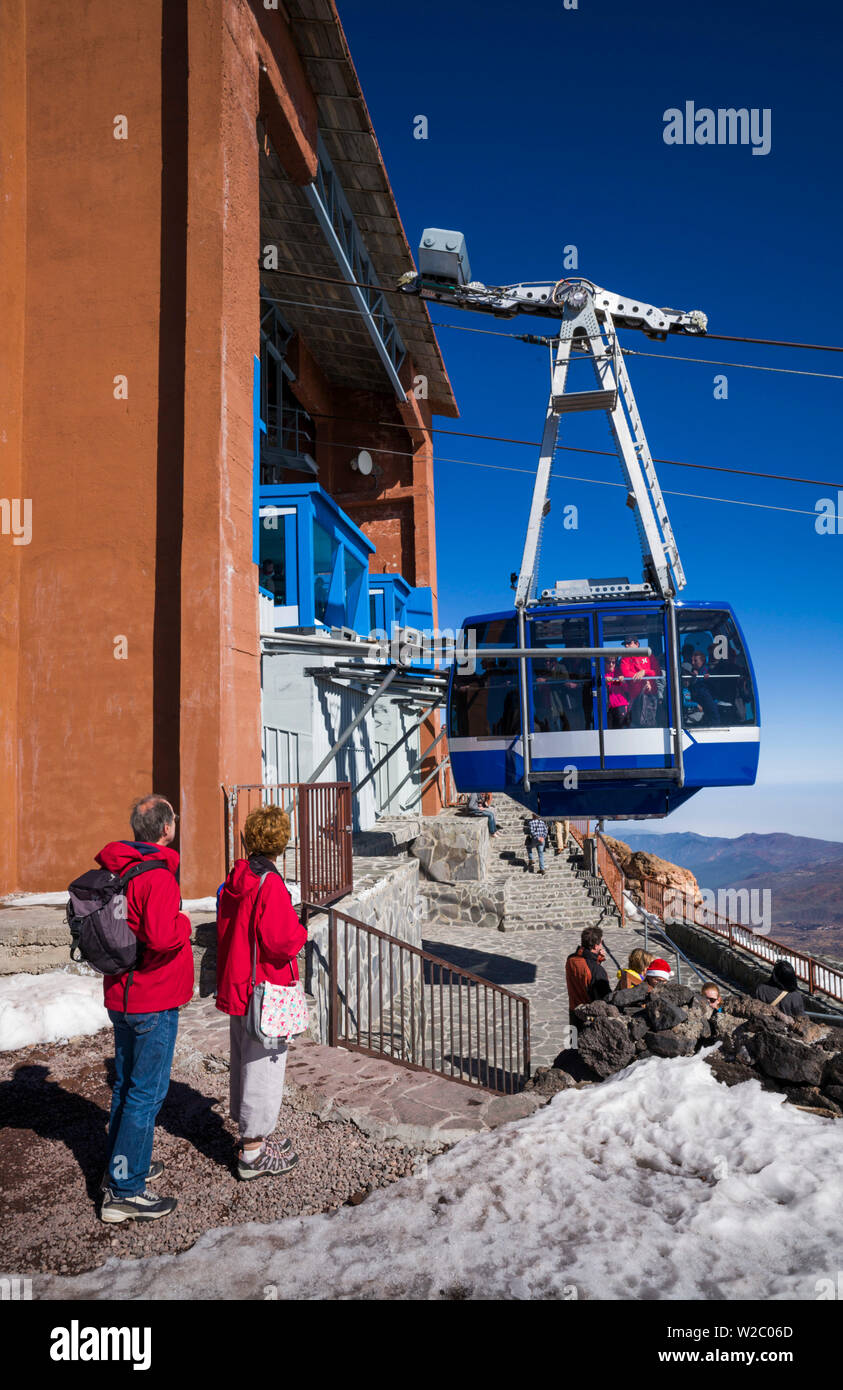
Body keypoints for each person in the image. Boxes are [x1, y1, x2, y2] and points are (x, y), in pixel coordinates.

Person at [99, 795, 193, 1224]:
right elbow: (160, 936)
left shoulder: (118, 869)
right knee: (146, 1093)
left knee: (124, 1086)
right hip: (152, 998)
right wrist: (185, 923)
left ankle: (121, 1164)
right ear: (166, 829)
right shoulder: (157, 877)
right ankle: (126, 1190)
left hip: (122, 994)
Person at [217, 804, 308, 1180]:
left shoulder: (237, 878)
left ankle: (251, 1135)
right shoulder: (270, 884)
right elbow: (282, 942)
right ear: (280, 843)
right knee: (264, 1066)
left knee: (243, 1057)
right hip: (266, 990)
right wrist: (301, 928)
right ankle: (253, 1151)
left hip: (240, 984)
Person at [565, 926, 612, 1026]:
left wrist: (597, 959)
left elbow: (584, 970)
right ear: (595, 946)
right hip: (588, 1016)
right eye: (600, 943)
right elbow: (605, 997)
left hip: (573, 1011)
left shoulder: (571, 959)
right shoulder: (596, 970)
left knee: (573, 1041)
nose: (601, 945)